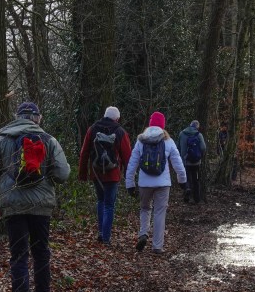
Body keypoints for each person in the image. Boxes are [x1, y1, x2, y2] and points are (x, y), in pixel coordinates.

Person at [0, 101, 70, 292]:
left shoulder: (3, 140)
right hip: (41, 206)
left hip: (13, 205)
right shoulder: (49, 140)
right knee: (41, 254)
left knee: (19, 256)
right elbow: (62, 174)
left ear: (17, 117)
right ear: (38, 118)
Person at [125, 111, 187, 254]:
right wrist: (182, 180)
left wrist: (130, 184)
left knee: (145, 209)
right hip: (163, 183)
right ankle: (157, 246)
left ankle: (143, 234)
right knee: (159, 212)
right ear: (163, 125)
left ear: (150, 124)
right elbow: (178, 163)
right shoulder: (168, 141)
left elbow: (132, 164)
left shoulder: (141, 140)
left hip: (144, 183)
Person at [77, 106, 132, 245]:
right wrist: (129, 176)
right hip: (112, 174)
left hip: (96, 172)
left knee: (101, 201)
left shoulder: (92, 129)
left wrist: (83, 173)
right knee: (109, 205)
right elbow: (127, 156)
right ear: (117, 118)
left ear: (104, 115)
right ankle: (106, 238)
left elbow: (84, 152)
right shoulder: (120, 132)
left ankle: (101, 233)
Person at [178, 120, 207, 204]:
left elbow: (178, 147)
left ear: (190, 125)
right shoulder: (199, 135)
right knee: (195, 180)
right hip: (196, 162)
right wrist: (200, 155)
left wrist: (182, 155)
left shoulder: (182, 133)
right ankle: (197, 199)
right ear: (197, 127)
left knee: (186, 178)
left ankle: (187, 190)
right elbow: (203, 148)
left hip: (185, 161)